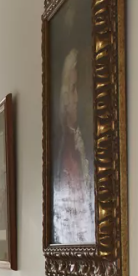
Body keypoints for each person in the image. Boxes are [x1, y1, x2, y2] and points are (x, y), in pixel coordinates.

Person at [53, 48, 94, 244]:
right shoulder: (65, 147)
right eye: (74, 89)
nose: (78, 98)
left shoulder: (83, 137)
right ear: (65, 98)